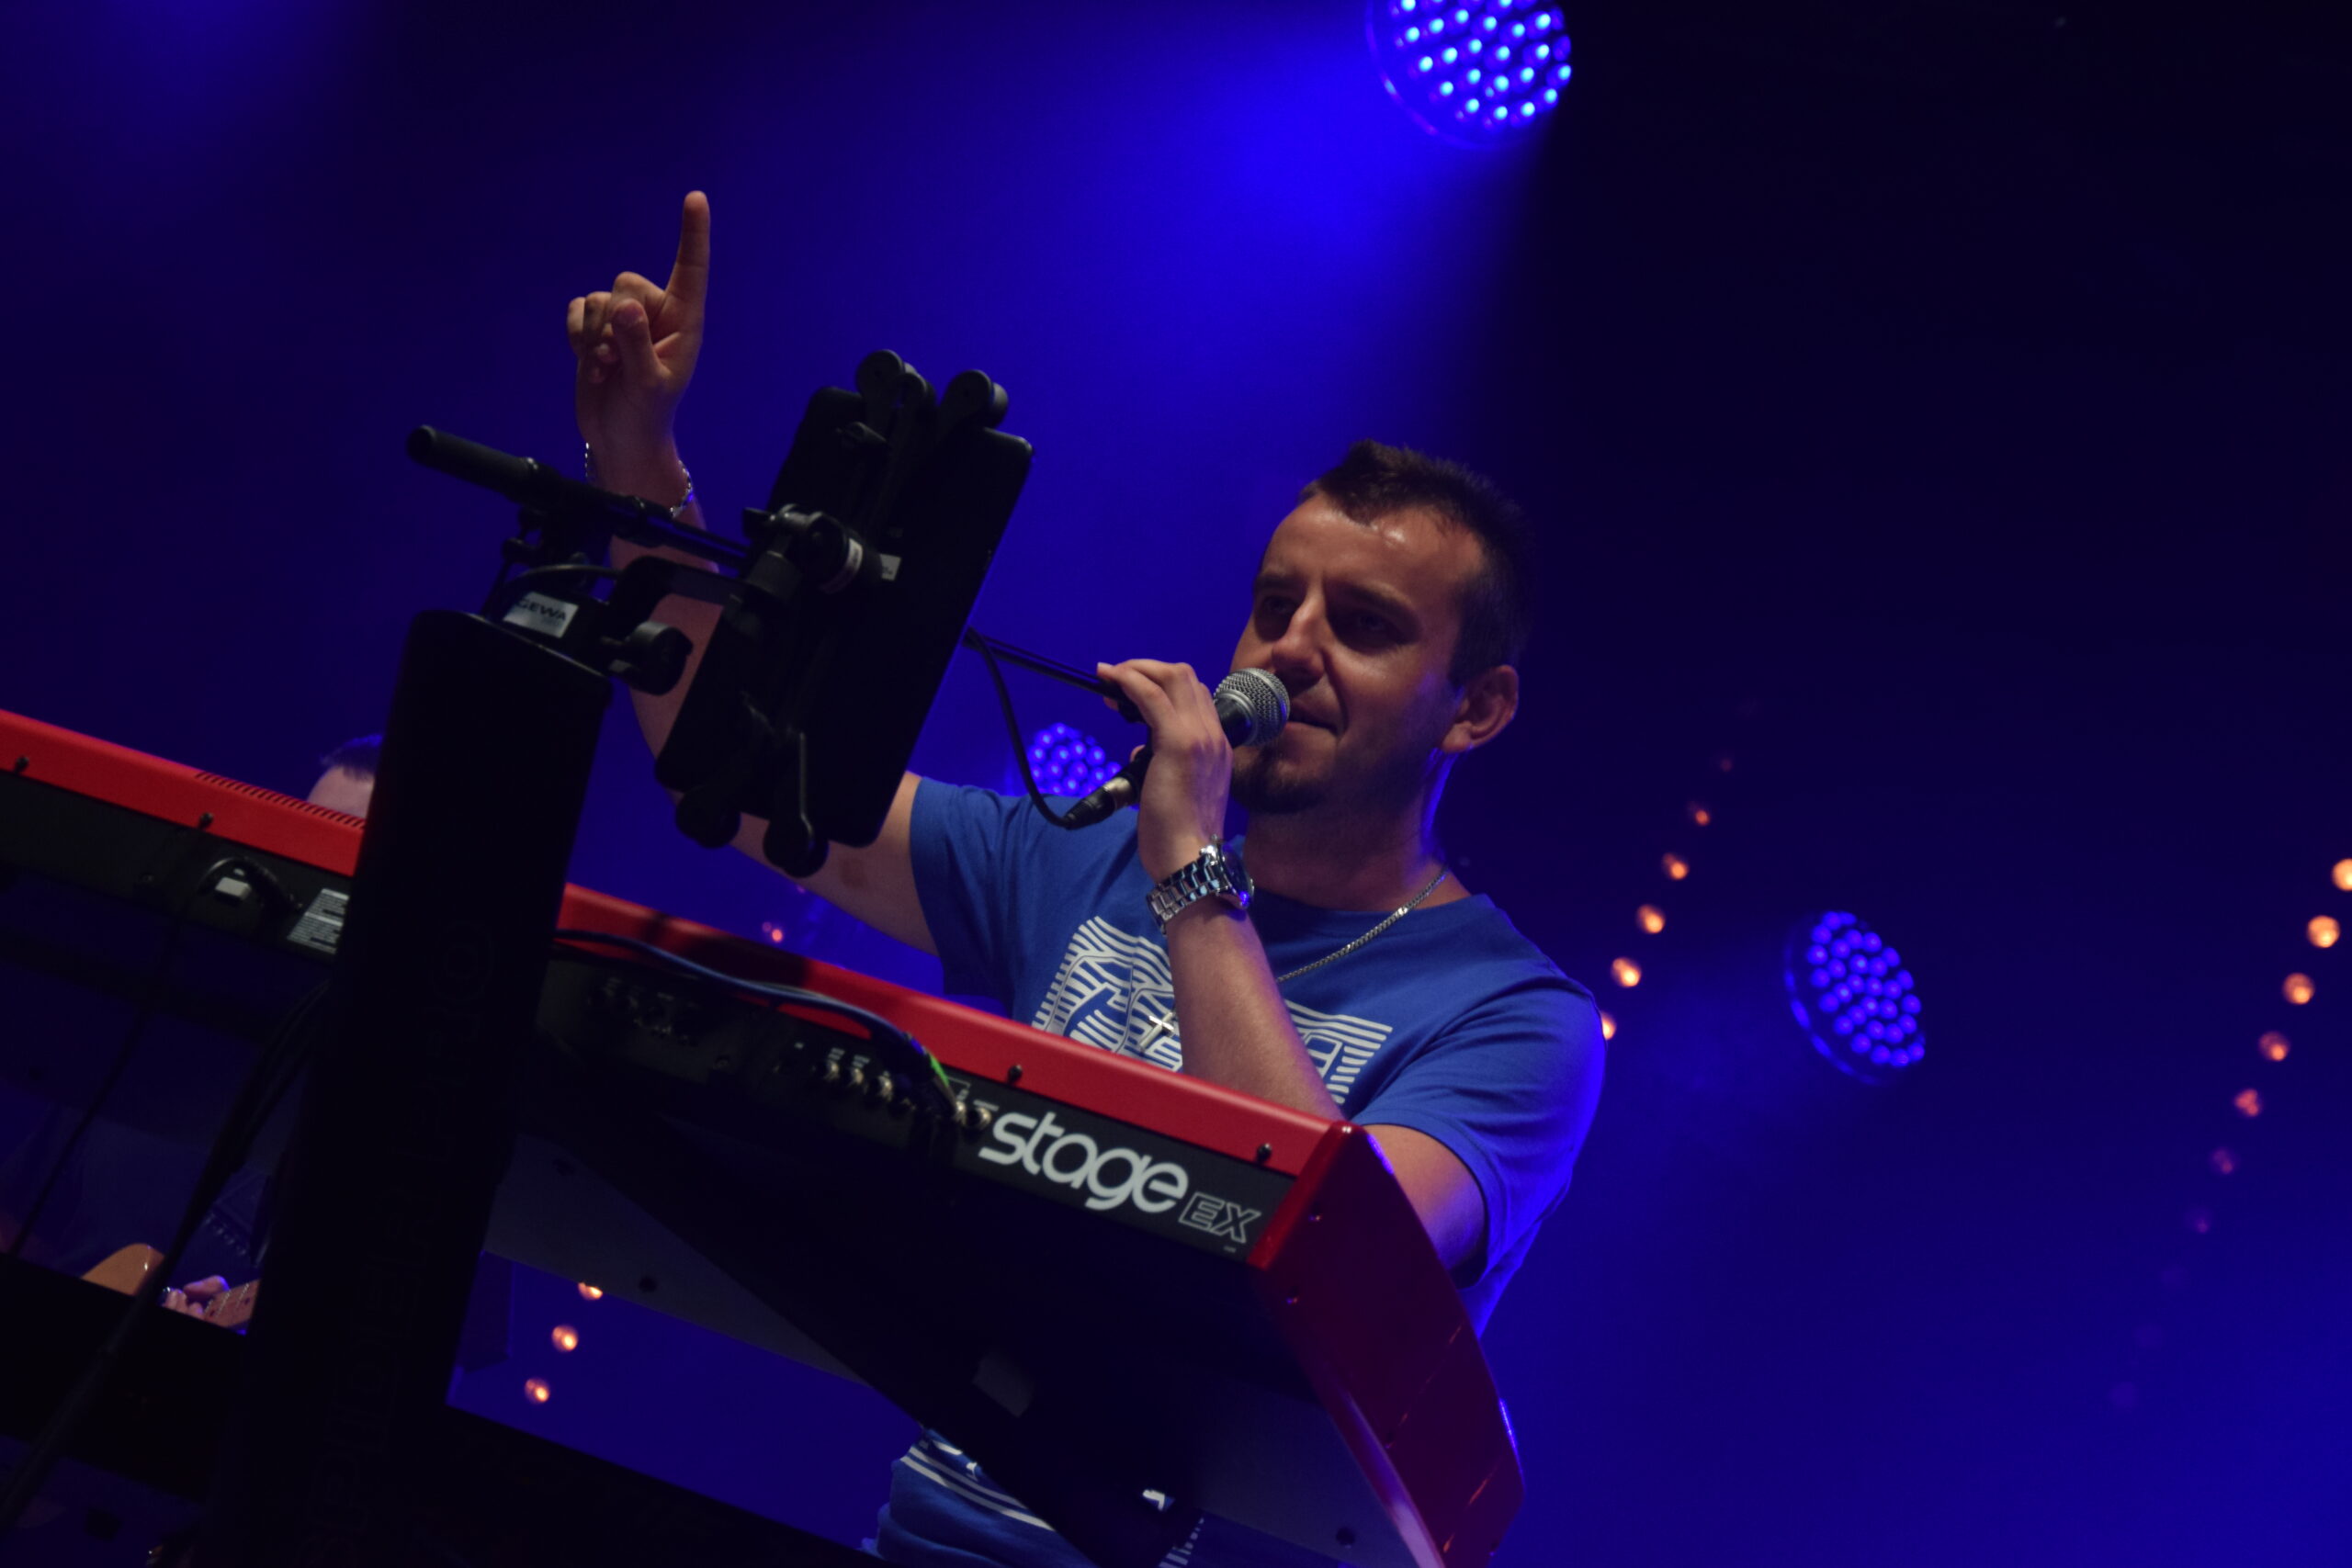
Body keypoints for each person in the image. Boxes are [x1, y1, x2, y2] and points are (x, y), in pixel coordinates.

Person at [567, 193, 1606, 1568]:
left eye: (1361, 626)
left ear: (1473, 710)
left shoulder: (1518, 1023)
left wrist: (1193, 872)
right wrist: (638, 459)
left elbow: (1322, 1256)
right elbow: (744, 774)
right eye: (1274, 604)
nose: (1290, 650)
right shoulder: (1075, 855)